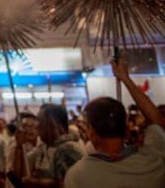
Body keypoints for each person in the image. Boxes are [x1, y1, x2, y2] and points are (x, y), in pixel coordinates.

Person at [64, 54, 165, 188]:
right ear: (126, 129)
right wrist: (126, 78)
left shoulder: (78, 176)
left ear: (92, 133)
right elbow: (156, 122)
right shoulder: (151, 161)